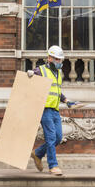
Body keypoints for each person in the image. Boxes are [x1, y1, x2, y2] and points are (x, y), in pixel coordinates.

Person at [27, 45, 72, 176]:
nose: (59, 62)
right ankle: (53, 166)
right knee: (51, 137)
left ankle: (37, 153)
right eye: (57, 59)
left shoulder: (57, 73)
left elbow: (57, 90)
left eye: (60, 60)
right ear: (50, 58)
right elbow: (29, 79)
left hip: (55, 110)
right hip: (44, 109)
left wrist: (66, 100)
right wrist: (29, 74)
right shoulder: (41, 70)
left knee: (58, 137)